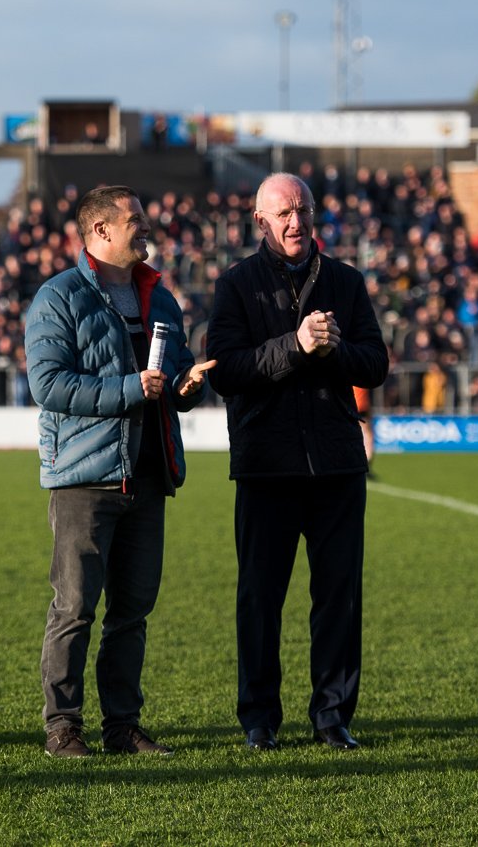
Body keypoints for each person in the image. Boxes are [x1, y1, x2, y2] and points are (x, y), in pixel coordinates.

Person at [24, 185, 216, 758]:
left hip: (149, 475)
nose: (146, 225)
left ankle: (121, 726)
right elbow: (49, 385)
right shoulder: (58, 298)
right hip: (86, 479)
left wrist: (186, 387)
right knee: (75, 608)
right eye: (135, 218)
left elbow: (172, 376)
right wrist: (133, 388)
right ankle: (63, 726)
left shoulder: (160, 297)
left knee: (132, 612)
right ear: (100, 231)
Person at [206, 173, 388, 752]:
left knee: (339, 596)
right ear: (261, 221)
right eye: (283, 212)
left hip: (336, 464)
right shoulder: (236, 285)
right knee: (261, 597)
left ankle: (332, 715)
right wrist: (295, 345)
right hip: (266, 465)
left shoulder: (345, 281)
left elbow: (375, 365)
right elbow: (227, 372)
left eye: (303, 209)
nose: (295, 221)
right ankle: (259, 718)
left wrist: (334, 351)